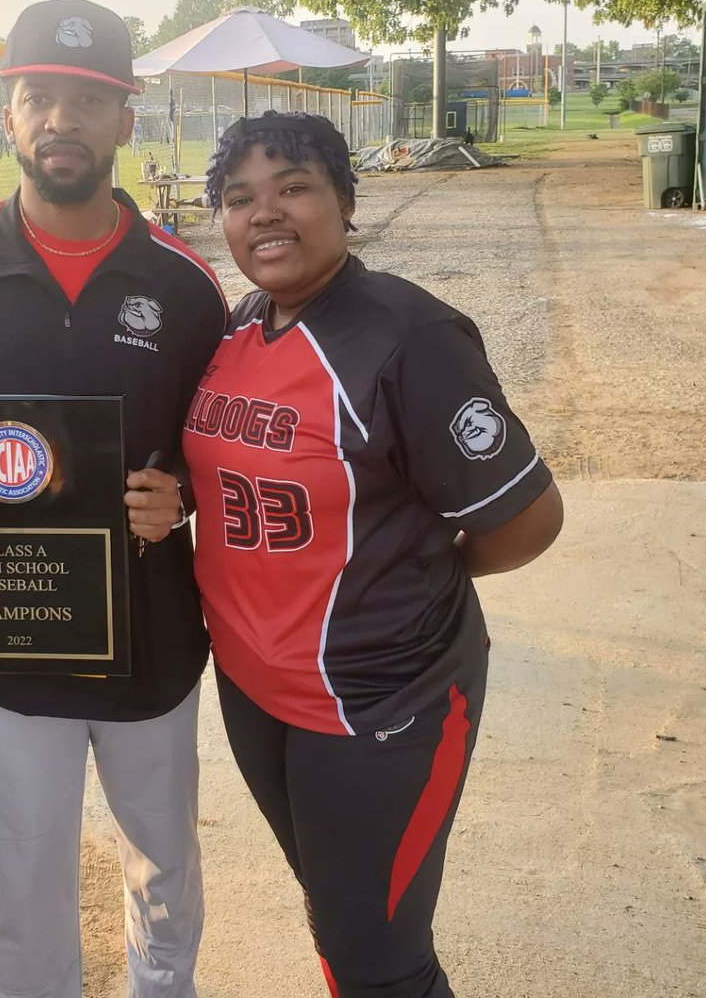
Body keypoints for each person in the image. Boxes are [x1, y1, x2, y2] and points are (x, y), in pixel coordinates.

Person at [183, 112, 564, 998]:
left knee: (382, 961)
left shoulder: (406, 336)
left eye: (294, 187)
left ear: (346, 204)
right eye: (240, 198)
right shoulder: (241, 328)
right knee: (337, 914)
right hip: (256, 693)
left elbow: (528, 519)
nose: (265, 213)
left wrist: (427, 572)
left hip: (380, 700)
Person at [0, 0, 227, 998]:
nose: (62, 121)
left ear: (126, 119)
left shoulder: (183, 287)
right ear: (8, 114)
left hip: (153, 642)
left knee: (164, 871)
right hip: (11, 646)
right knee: (23, 882)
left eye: (89, 100)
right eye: (40, 96)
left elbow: (219, 469)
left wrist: (180, 505)